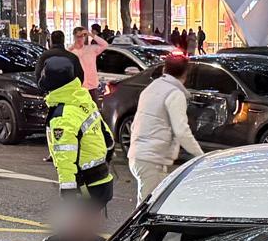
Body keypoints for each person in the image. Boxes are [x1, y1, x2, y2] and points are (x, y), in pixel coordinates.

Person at [127, 54, 203, 202]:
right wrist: (201, 156)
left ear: (164, 70)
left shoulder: (151, 88)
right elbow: (182, 131)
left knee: (147, 204)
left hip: (138, 154)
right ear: (185, 74)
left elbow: (136, 123)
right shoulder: (175, 94)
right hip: (152, 159)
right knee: (148, 209)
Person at [42, 55, 114, 207]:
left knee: (76, 229)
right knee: (90, 227)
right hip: (102, 179)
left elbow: (65, 157)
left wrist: (68, 190)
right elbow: (108, 139)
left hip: (85, 185)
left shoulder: (63, 115)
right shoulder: (83, 99)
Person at [70, 26, 108, 98]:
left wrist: (90, 34)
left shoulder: (91, 49)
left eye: (82, 36)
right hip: (79, 87)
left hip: (92, 86)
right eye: (78, 36)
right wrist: (73, 47)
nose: (80, 39)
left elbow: (105, 45)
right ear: (74, 37)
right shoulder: (72, 51)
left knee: (94, 107)